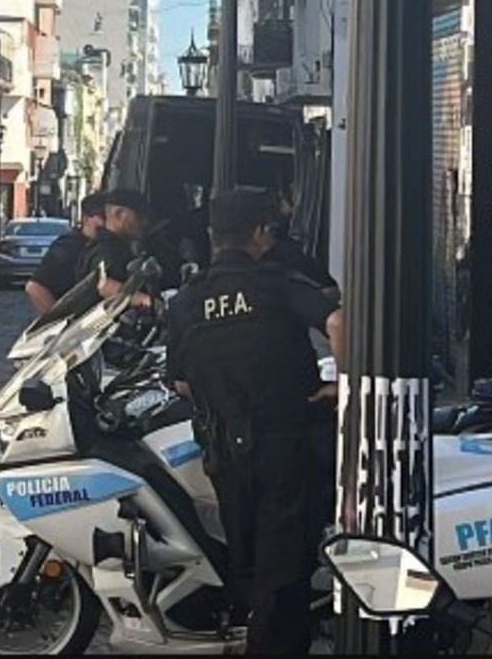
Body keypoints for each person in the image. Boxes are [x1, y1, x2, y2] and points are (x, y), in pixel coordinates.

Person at [166, 188, 343, 656]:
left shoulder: (188, 300)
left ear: (212, 235)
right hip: (288, 444)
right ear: (262, 232)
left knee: (249, 568)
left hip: (226, 452)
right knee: (283, 576)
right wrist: (348, 386)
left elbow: (181, 384)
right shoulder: (276, 284)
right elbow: (339, 322)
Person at [25, 191, 108, 313]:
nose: (106, 224)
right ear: (85, 218)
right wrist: (59, 321)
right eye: (102, 217)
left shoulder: (107, 245)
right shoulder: (68, 246)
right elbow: (35, 287)